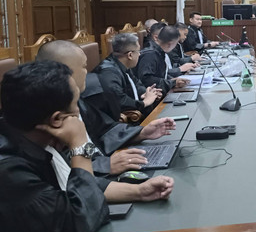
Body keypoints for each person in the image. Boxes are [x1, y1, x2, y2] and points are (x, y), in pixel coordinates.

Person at [0, 61, 110, 232]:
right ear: (57, 120)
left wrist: (138, 190)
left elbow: (69, 191)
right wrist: (80, 146)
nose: (80, 112)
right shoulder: (8, 169)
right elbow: (73, 223)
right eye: (76, 105)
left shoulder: (26, 136)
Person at [36, 40, 176, 165]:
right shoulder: (52, 114)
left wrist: (143, 132)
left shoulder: (76, 101)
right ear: (64, 71)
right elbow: (68, 165)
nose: (88, 72)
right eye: (84, 66)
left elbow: (105, 131)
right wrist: (105, 164)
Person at [94, 33, 163, 121]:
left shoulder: (121, 63)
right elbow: (119, 101)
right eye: (138, 51)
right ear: (130, 55)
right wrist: (144, 103)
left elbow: (136, 83)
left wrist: (146, 93)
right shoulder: (109, 72)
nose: (139, 54)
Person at [136, 25, 194, 94]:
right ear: (169, 44)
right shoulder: (150, 54)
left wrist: (173, 80)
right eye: (175, 44)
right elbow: (147, 80)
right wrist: (171, 82)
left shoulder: (160, 51)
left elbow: (161, 74)